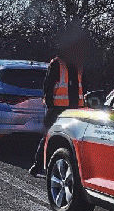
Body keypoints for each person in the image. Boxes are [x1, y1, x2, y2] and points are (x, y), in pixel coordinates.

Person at [28, 27, 89, 176]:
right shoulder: (57, 63)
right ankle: (37, 166)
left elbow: (83, 85)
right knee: (49, 137)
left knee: (72, 139)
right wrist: (50, 105)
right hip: (57, 108)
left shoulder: (78, 65)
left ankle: (67, 169)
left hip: (75, 109)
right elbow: (48, 85)